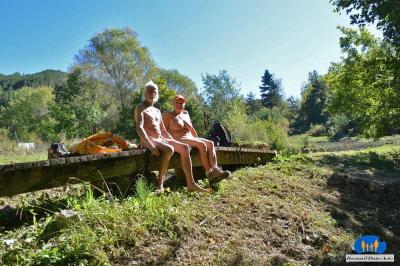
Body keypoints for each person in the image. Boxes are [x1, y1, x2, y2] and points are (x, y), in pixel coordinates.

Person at [135, 81, 209, 192]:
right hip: (148, 140)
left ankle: (191, 184)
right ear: (144, 93)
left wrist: (174, 141)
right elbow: (139, 128)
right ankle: (160, 183)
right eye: (150, 91)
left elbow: (163, 131)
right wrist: (150, 146)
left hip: (160, 139)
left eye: (155, 91)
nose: (153, 93)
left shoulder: (157, 111)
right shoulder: (140, 107)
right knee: (169, 149)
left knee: (184, 147)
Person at [162, 95, 230, 181]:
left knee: (210, 143)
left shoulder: (185, 113)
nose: (179, 105)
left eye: (181, 103)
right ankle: (209, 173)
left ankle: (215, 169)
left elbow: (194, 135)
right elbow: (163, 132)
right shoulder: (167, 115)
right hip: (177, 139)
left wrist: (189, 127)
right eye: (177, 103)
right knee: (201, 145)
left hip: (190, 138)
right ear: (173, 104)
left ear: (184, 104)